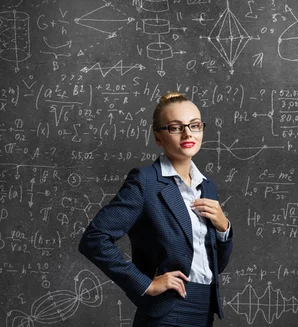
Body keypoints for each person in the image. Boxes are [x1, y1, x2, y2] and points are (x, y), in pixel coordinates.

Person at [79, 92, 233, 326]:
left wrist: (224, 228)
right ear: (158, 137)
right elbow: (94, 239)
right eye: (175, 127)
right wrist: (146, 284)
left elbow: (214, 266)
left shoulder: (207, 186)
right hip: (167, 311)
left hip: (205, 310)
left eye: (195, 125)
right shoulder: (145, 181)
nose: (188, 133)